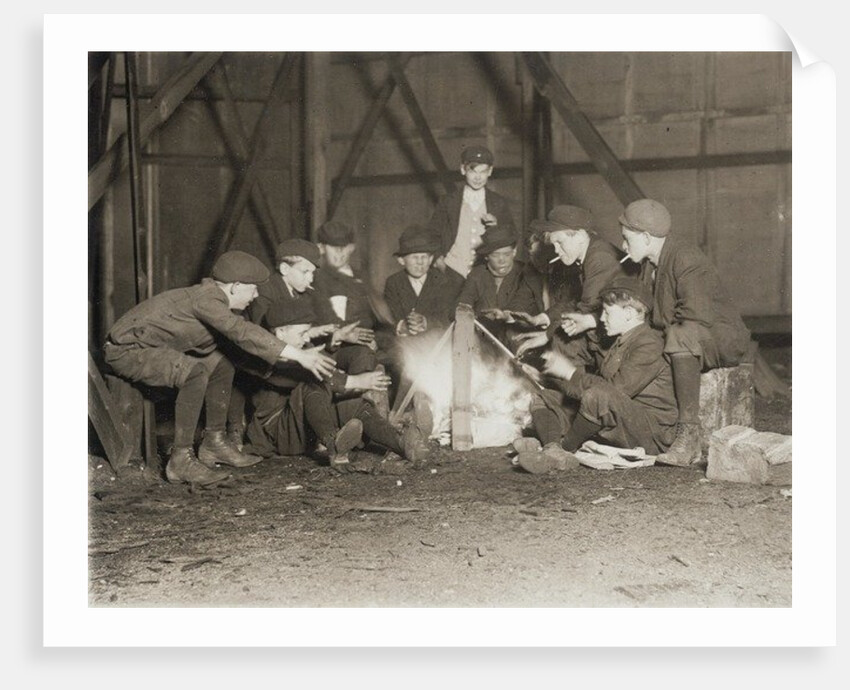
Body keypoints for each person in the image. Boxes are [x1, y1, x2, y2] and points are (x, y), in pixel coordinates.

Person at [102, 250, 336, 486]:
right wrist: (297, 354)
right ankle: (180, 459)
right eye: (253, 288)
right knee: (194, 371)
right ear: (235, 286)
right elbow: (241, 331)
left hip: (151, 349)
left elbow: (240, 349)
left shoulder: (217, 303)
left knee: (222, 363)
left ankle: (214, 442)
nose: (255, 296)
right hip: (127, 351)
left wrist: (290, 362)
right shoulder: (207, 299)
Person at [618, 198, 752, 466]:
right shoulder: (649, 266)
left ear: (645, 237)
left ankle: (689, 433)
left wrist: (655, 332)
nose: (623, 245)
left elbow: (695, 315)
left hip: (721, 336)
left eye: (626, 238)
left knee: (680, 335)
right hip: (689, 333)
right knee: (648, 340)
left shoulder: (686, 257)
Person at [515, 276, 678, 474]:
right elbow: (595, 388)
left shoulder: (649, 343)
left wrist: (570, 372)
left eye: (607, 313)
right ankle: (552, 448)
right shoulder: (619, 342)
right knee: (546, 397)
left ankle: (565, 450)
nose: (601, 319)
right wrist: (551, 377)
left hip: (651, 431)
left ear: (628, 314)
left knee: (596, 396)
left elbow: (612, 391)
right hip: (621, 417)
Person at [245, 298, 430, 470]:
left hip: (305, 423)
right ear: (280, 331)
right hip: (280, 432)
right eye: (302, 333)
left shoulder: (301, 348)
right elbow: (300, 373)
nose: (307, 338)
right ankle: (333, 442)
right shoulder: (264, 356)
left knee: (353, 403)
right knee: (313, 382)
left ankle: (401, 442)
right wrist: (355, 381)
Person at [513, 204, 629, 359]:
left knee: (562, 347)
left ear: (580, 235)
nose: (556, 250)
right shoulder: (587, 252)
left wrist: (547, 336)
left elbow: (585, 310)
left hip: (625, 337)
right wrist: (542, 318)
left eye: (560, 242)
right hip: (605, 322)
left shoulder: (599, 258)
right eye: (554, 244)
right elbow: (574, 300)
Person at [427, 145, 516, 284]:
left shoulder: (498, 202)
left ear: (490, 171)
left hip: (484, 274)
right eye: (473, 171)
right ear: (463, 169)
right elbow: (432, 234)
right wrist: (440, 262)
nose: (478, 177)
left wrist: (497, 227)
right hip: (451, 270)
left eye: (483, 171)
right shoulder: (448, 201)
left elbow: (512, 236)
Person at [455, 223, 537, 348]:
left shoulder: (526, 274)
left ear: (514, 252)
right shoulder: (477, 274)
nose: (502, 260)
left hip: (518, 342)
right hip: (482, 342)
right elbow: (461, 305)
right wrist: (471, 313)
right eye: (495, 255)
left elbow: (529, 314)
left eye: (506, 254)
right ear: (487, 256)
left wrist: (504, 316)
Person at [383, 225, 462, 339]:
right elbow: (390, 316)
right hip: (405, 342)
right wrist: (403, 325)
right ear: (401, 260)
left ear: (430, 259)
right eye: (414, 257)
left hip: (434, 342)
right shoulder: (393, 283)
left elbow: (446, 316)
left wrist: (426, 322)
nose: (420, 262)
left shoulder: (441, 281)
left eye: (424, 257)